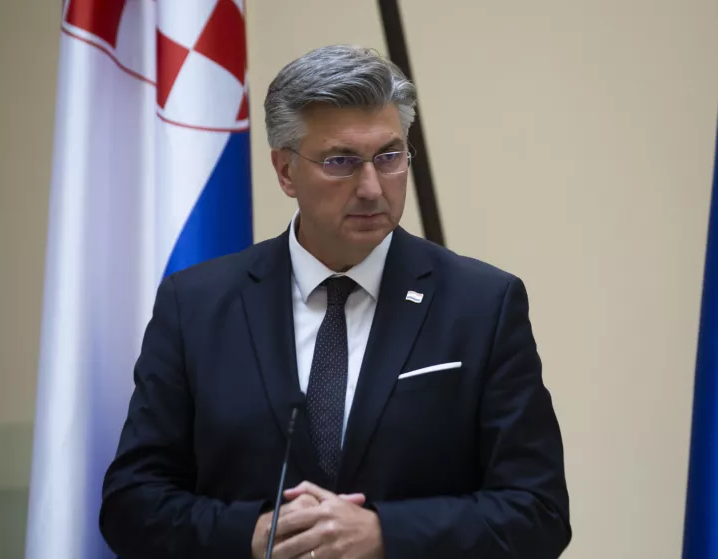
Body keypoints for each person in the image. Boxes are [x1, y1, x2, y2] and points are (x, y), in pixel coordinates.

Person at [99, 44, 571, 559]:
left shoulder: (482, 305)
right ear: (285, 171)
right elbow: (131, 504)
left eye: (389, 157)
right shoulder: (196, 305)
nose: (371, 187)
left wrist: (385, 535)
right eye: (340, 161)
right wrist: (253, 535)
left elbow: (538, 512)